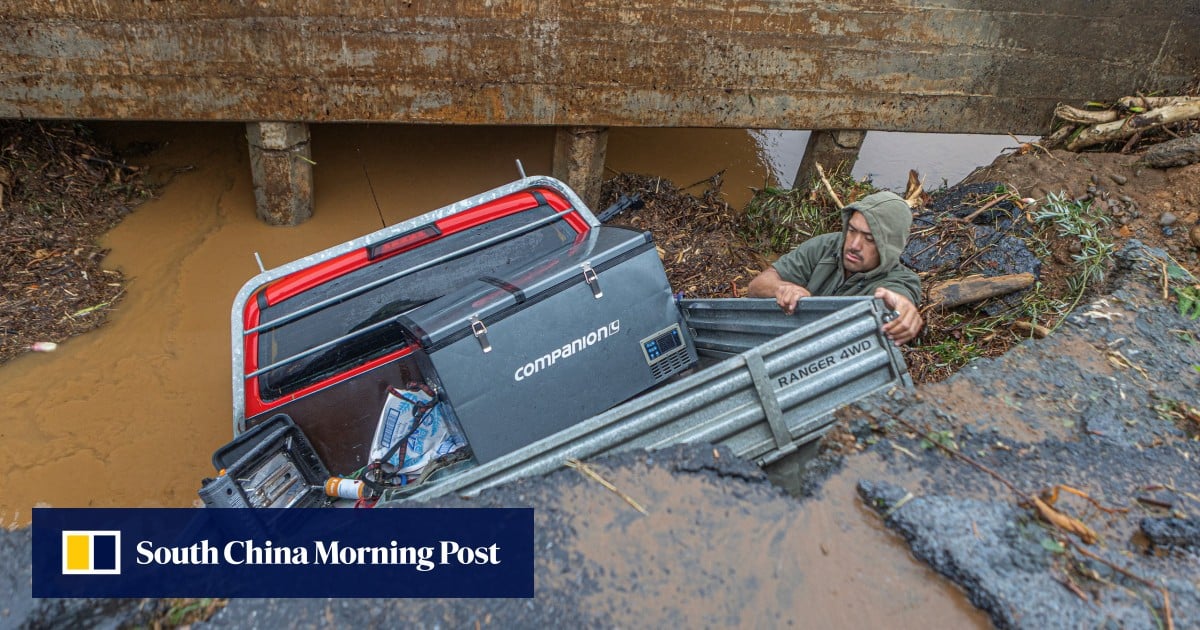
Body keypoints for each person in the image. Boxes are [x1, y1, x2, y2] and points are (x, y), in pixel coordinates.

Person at [747, 190, 924, 346]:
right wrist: (784, 289)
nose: (854, 245)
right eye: (852, 230)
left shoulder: (900, 279)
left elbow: (901, 299)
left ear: (889, 247)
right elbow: (756, 286)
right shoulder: (826, 245)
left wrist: (903, 309)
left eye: (869, 239)